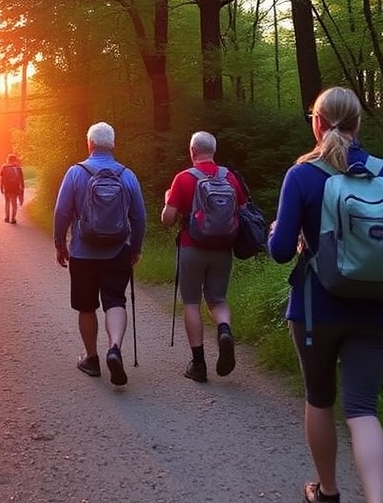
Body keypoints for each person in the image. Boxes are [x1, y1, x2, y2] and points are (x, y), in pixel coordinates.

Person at [267, 87, 383, 503]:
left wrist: (283, 230)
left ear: (316, 123)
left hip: (316, 311)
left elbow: (281, 252)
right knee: (362, 409)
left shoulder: (301, 176)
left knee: (319, 399)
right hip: (377, 311)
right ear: (359, 124)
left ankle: (329, 497)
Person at [53, 122, 146, 386]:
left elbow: (61, 212)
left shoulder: (75, 172)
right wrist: (135, 248)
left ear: (90, 144)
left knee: (86, 306)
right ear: (113, 145)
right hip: (118, 250)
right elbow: (139, 217)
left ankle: (92, 359)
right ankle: (114, 348)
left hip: (83, 252)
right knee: (116, 300)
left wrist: (60, 243)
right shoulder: (127, 175)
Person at [161, 131, 246, 383]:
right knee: (218, 300)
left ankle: (198, 365)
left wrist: (168, 199)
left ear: (192, 151)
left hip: (192, 247)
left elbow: (167, 219)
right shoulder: (229, 177)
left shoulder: (184, 178)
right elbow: (242, 213)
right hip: (223, 249)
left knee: (191, 302)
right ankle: (224, 331)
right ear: (214, 151)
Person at [0, 154, 24, 223]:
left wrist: (1, 187)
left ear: (8, 160)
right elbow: (21, 180)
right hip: (15, 187)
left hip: (7, 187)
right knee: (14, 203)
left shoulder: (4, 167)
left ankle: (7, 217)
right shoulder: (18, 168)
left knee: (7, 202)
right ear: (15, 160)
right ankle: (13, 219)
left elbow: (2, 179)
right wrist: (22, 188)